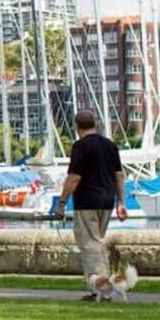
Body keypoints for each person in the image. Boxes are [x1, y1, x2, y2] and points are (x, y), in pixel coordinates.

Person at [55, 110, 126, 301]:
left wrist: (61, 203)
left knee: (89, 245)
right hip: (107, 201)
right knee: (98, 242)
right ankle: (101, 287)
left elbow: (74, 178)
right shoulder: (110, 145)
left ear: (77, 127)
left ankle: (102, 289)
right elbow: (119, 175)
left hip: (86, 201)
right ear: (95, 124)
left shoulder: (80, 147)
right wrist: (121, 202)